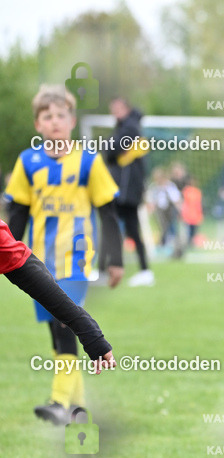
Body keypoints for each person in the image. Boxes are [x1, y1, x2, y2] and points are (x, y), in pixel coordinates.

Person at [4, 85, 124, 424]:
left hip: (76, 258)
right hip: (38, 261)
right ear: (37, 124)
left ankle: (58, 402)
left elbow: (108, 212)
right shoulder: (28, 161)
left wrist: (115, 259)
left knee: (64, 322)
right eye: (47, 116)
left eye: (61, 115)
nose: (55, 122)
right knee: (60, 336)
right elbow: (17, 216)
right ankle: (79, 409)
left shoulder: (88, 160)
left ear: (71, 120)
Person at [2, 220, 115, 373]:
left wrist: (85, 327)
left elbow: (18, 262)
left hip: (71, 257)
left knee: (60, 328)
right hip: (43, 253)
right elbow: (19, 211)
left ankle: (65, 396)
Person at [106, 96, 152, 287]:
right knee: (118, 228)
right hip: (125, 190)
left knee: (121, 227)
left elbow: (112, 150)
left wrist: (113, 150)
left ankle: (143, 270)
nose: (114, 113)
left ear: (125, 108)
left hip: (126, 191)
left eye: (117, 109)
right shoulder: (126, 127)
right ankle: (136, 269)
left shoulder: (130, 127)